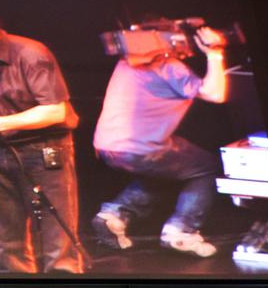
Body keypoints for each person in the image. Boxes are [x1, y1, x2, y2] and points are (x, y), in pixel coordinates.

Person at [0, 12, 83, 274]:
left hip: (42, 148)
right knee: (1, 228)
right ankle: (11, 284)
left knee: (56, 229)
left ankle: (64, 285)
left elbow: (56, 111)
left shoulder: (32, 54)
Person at [91, 20, 228, 257]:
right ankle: (181, 232)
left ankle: (114, 215)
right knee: (206, 167)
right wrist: (214, 52)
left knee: (170, 168)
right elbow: (215, 94)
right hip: (139, 149)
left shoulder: (126, 62)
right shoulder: (167, 66)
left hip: (106, 147)